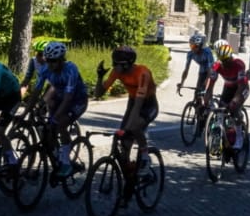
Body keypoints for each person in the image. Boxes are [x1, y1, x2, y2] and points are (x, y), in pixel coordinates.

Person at [94, 46, 158, 173]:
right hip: (133, 101)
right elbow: (98, 94)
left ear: (126, 65)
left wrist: (127, 129)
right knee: (125, 143)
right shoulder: (117, 72)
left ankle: (145, 156)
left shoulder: (143, 73)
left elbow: (138, 105)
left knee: (134, 128)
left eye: (116, 64)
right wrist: (100, 77)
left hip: (148, 104)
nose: (114, 67)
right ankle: (128, 172)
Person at [28, 41, 88, 176]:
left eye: (53, 61)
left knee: (60, 124)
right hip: (60, 99)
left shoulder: (71, 69)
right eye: (48, 60)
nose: (50, 64)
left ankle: (66, 162)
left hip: (77, 100)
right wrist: (27, 111)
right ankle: (56, 155)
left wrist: (55, 118)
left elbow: (68, 98)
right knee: (47, 129)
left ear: (61, 59)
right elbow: (36, 91)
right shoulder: (45, 69)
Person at [204, 42, 250, 149]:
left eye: (227, 60)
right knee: (220, 110)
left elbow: (241, 86)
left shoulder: (239, 64)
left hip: (242, 88)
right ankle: (220, 137)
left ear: (231, 57)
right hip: (228, 87)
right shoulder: (217, 66)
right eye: (223, 61)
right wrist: (206, 101)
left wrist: (235, 101)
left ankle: (239, 137)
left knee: (234, 108)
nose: (225, 63)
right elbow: (210, 87)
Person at [178, 33, 214, 98]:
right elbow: (186, 70)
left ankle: (210, 105)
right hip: (202, 68)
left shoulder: (207, 52)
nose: (193, 49)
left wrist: (206, 81)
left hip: (212, 69)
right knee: (197, 93)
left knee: (206, 93)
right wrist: (182, 82)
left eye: (194, 47)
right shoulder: (190, 54)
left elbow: (210, 70)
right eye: (191, 46)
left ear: (200, 46)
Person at [19, 39, 50, 109]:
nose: (38, 57)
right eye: (37, 54)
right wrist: (18, 97)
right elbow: (27, 79)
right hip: (41, 85)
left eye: (41, 54)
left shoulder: (52, 64)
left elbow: (51, 85)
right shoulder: (33, 61)